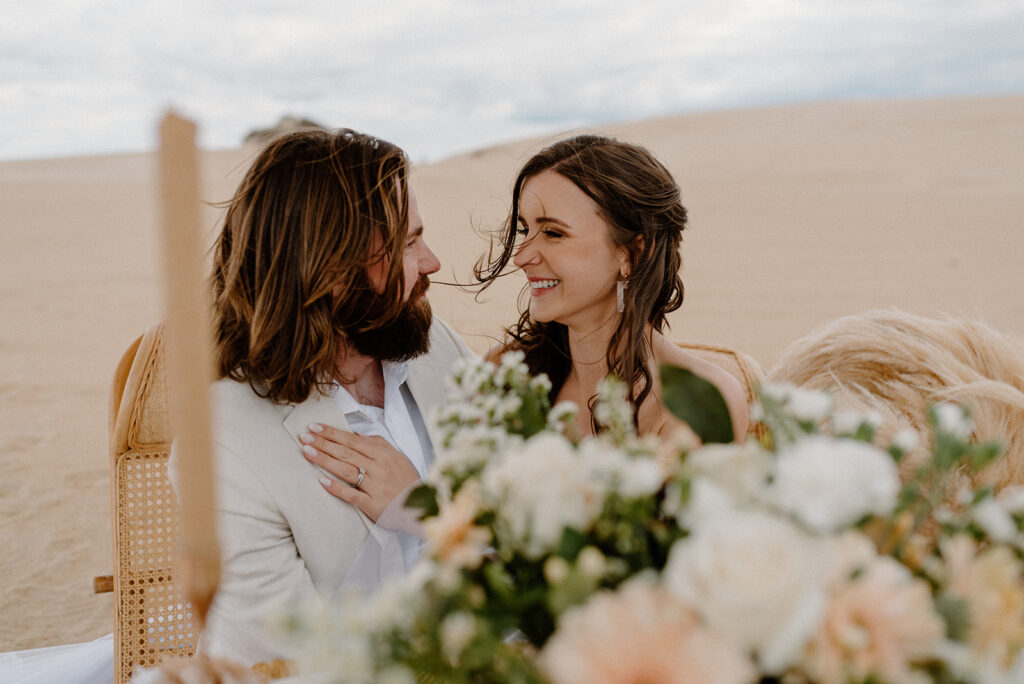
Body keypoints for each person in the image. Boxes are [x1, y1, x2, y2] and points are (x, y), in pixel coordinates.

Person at [169, 128, 475, 665]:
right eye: (406, 244)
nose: (431, 263)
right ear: (330, 271)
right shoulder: (225, 444)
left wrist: (431, 515)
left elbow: (525, 531)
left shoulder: (435, 346)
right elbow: (284, 664)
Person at [476, 134, 748, 440]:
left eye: (553, 233)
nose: (521, 256)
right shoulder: (503, 373)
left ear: (633, 253)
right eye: (526, 229)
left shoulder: (700, 403)